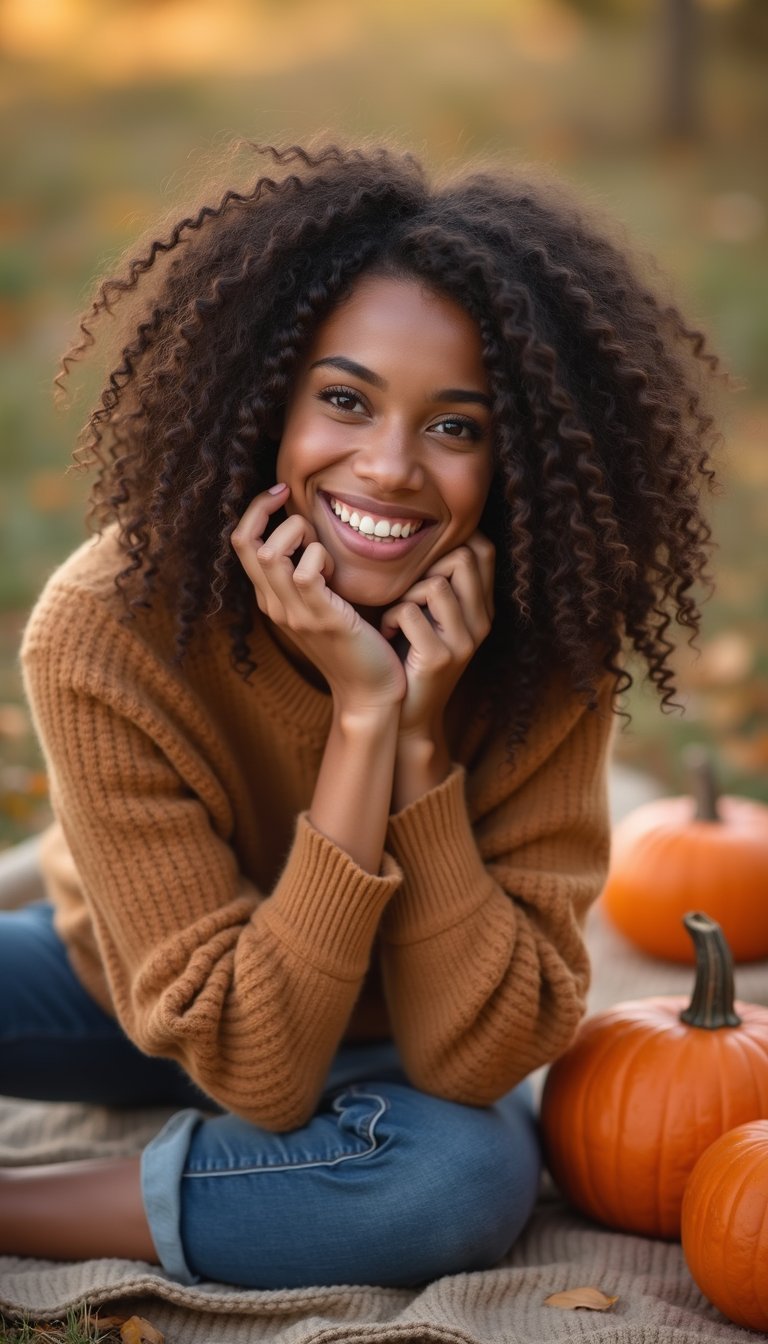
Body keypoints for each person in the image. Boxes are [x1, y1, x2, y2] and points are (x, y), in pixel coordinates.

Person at [0, 143, 722, 1289]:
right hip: (129, 981)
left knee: (459, 1180)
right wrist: (358, 721)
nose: (387, 470)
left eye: (456, 426)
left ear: (520, 455)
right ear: (263, 402)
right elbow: (240, 1047)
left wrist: (404, 734)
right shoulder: (112, 623)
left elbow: (461, 1058)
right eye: (345, 401)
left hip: (390, 1049)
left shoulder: (545, 644)